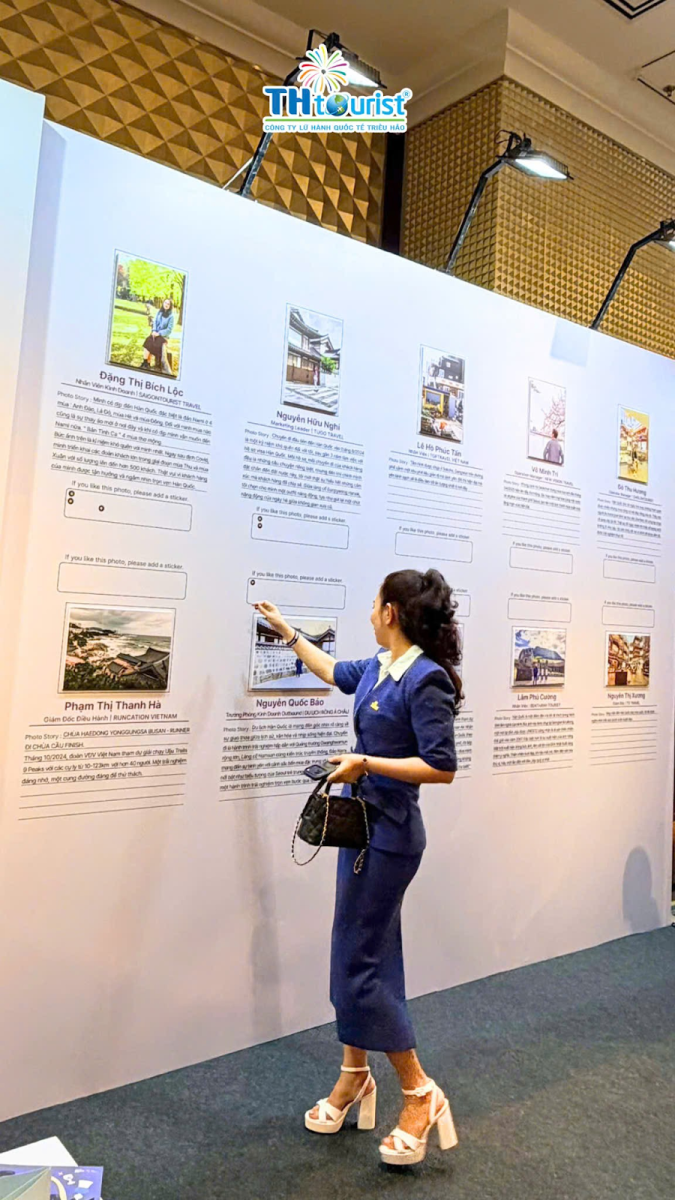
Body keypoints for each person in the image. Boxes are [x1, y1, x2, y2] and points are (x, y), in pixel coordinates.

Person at [254, 568, 462, 1167]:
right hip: (361, 831)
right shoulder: (379, 667)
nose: (370, 613)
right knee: (361, 954)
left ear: (391, 612)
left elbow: (442, 766)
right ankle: (354, 1076)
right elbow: (329, 670)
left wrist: (365, 763)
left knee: (359, 965)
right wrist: (286, 631)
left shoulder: (425, 678)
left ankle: (420, 1092)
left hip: (391, 840)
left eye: (374, 604)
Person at [142, 298, 175, 374]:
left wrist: (159, 333)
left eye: (168, 304)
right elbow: (155, 323)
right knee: (148, 340)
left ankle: (153, 364)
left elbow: (169, 330)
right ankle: (146, 363)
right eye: (165, 303)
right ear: (163, 303)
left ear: (170, 306)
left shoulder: (171, 316)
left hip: (163, 336)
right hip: (155, 333)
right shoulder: (159, 312)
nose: (166, 305)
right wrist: (154, 331)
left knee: (155, 344)